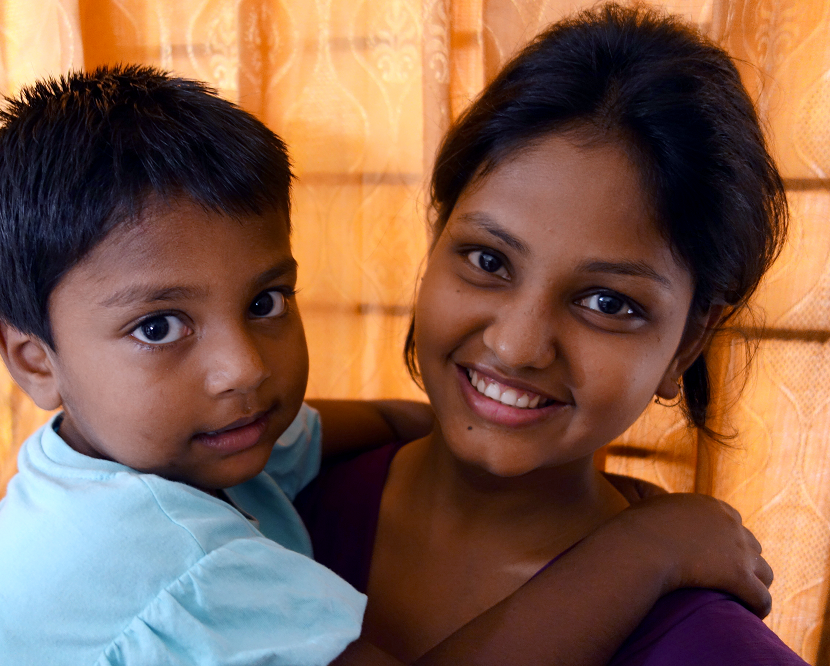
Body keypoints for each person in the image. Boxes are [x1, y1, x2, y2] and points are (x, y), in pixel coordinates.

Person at [0, 64, 774, 666]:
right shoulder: (167, 562)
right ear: (32, 357)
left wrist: (468, 411)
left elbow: (372, 419)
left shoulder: (199, 447)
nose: (242, 368)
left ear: (690, 343)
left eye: (266, 302)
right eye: (160, 326)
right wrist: (649, 548)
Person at [297, 5, 808, 665]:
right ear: (436, 240)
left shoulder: (714, 651)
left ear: (689, 342)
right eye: (488, 260)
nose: (515, 346)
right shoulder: (241, 509)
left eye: (607, 301)